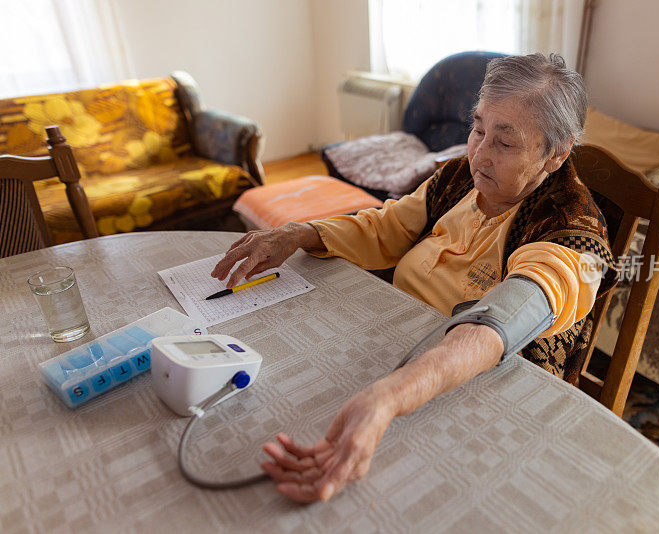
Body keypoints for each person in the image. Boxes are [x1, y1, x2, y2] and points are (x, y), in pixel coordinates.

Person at [210, 53, 614, 503]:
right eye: (478, 129)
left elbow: (502, 320)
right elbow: (386, 227)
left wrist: (388, 398)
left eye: (505, 142)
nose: (479, 153)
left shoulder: (575, 234)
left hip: (474, 398)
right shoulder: (460, 177)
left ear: (557, 153)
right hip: (391, 353)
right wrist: (299, 233)